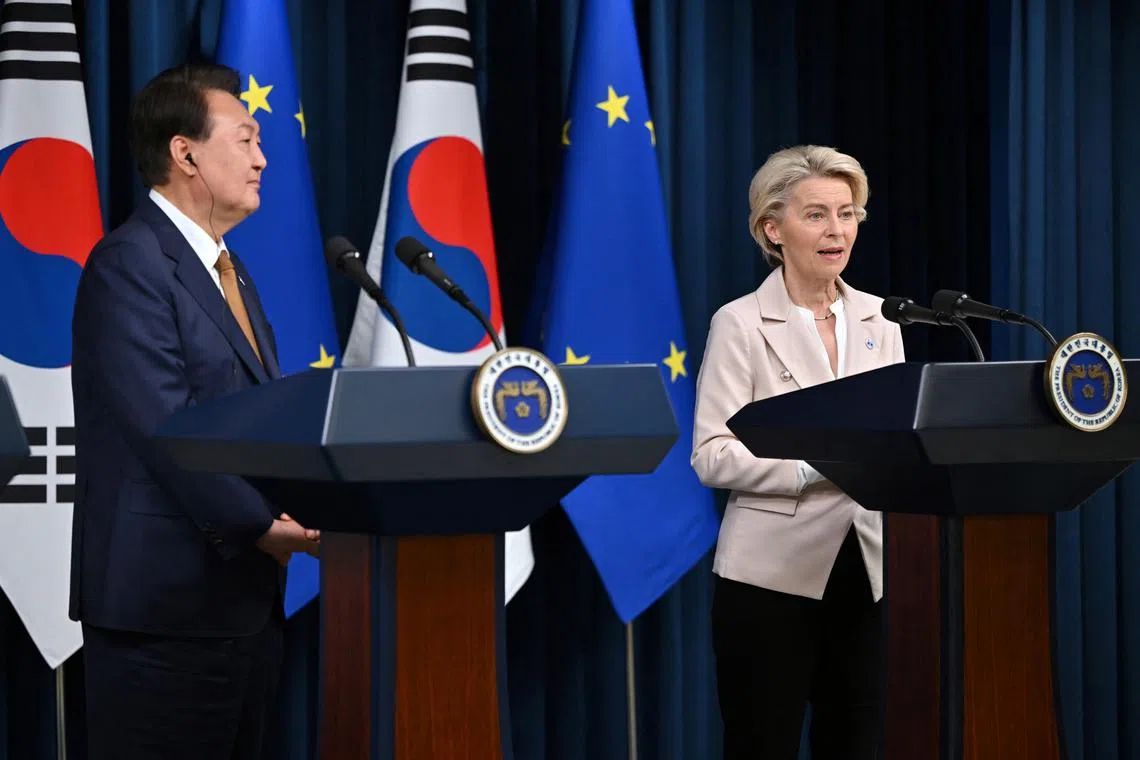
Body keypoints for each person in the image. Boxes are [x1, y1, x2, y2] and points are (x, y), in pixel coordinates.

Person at [69, 63, 320, 759]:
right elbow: (167, 427)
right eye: (246, 139)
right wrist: (262, 523)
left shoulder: (232, 272)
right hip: (163, 614)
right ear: (185, 153)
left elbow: (256, 419)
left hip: (243, 605)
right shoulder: (129, 264)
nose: (263, 159)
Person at [691, 145, 905, 760]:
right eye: (816, 215)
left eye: (847, 213)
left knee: (858, 745)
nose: (837, 230)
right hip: (769, 579)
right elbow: (711, 454)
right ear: (773, 229)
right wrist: (816, 469)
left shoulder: (883, 320)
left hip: (869, 572)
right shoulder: (740, 323)